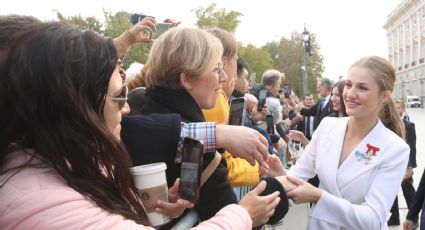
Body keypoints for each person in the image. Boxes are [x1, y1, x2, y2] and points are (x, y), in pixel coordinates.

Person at [0, 22, 279, 229]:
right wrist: (243, 215)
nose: (127, 107)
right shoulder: (42, 199)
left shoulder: (53, 161)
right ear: (75, 105)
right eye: (119, 95)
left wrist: (144, 206)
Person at [136, 27, 271, 222]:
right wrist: (250, 213)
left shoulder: (134, 105)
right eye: (217, 69)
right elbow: (227, 217)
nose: (223, 77)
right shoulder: (197, 150)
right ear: (187, 79)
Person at [282, 56, 410, 229]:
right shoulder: (328, 125)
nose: (350, 94)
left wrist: (318, 196)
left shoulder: (395, 148)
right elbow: (297, 174)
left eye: (362, 88)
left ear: (385, 96)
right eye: (349, 84)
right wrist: (275, 177)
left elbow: (372, 218)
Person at [388, 99, 417, 226]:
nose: (397, 109)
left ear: (403, 109)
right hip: (391, 163)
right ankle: (394, 218)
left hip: (405, 164)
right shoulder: (388, 124)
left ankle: (413, 218)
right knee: (391, 191)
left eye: (399, 107)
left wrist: (410, 167)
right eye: (395, 107)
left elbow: (412, 147)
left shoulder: (409, 125)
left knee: (408, 189)